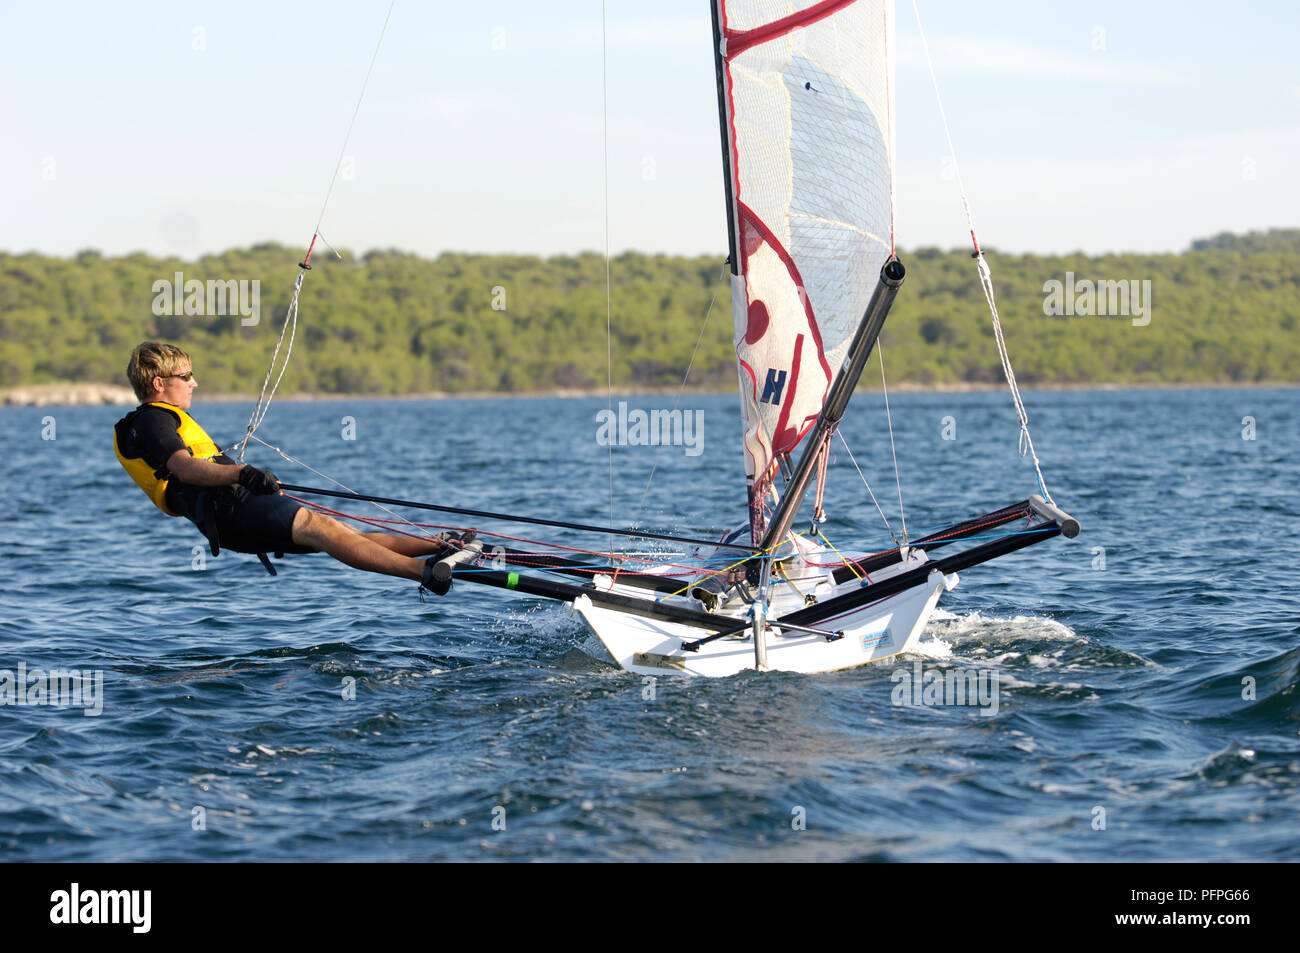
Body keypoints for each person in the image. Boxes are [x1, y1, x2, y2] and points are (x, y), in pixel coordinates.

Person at [113, 341, 461, 589]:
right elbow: (185, 469)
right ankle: (425, 573)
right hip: (232, 516)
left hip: (240, 508)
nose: (194, 382)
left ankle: (440, 547)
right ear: (159, 383)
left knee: (341, 533)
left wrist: (248, 480)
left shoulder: (164, 418)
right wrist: (244, 473)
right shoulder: (150, 422)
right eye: (186, 375)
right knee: (322, 528)